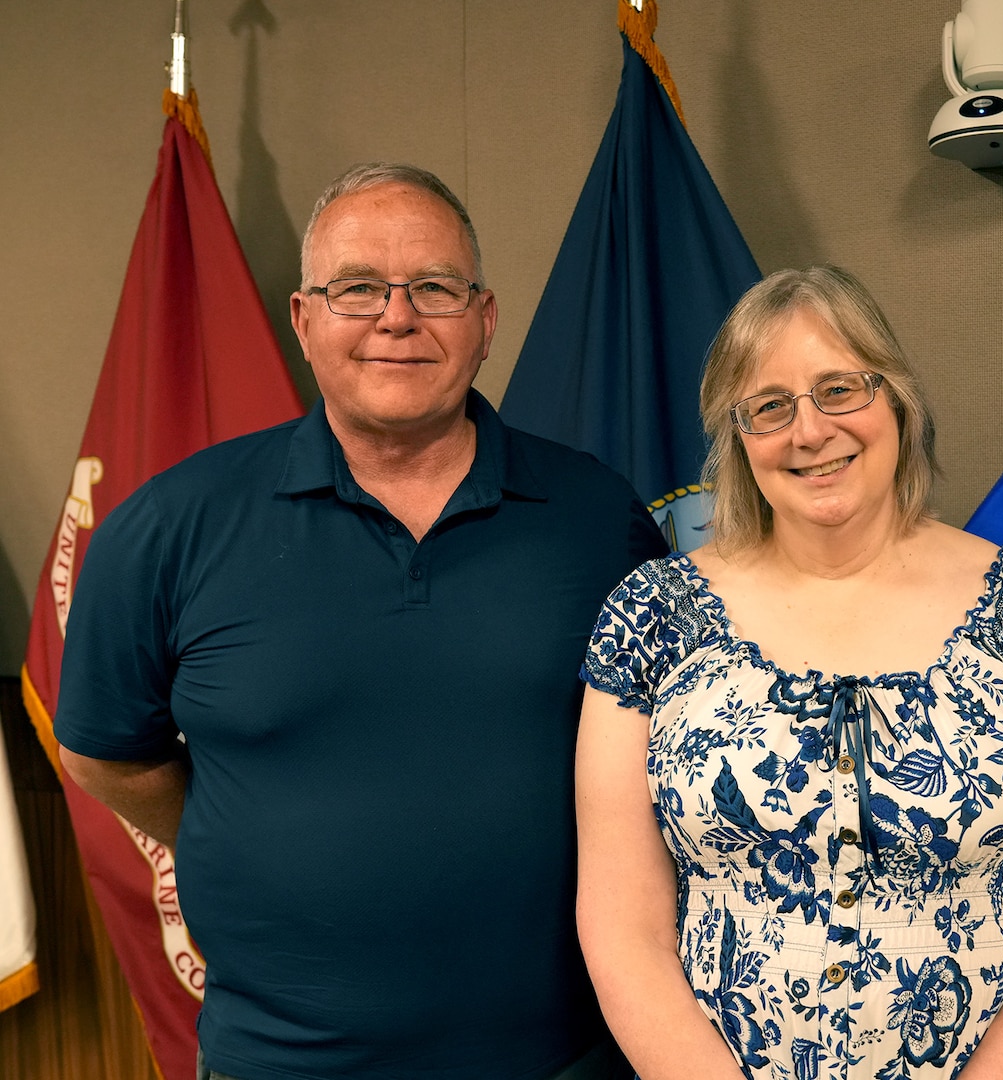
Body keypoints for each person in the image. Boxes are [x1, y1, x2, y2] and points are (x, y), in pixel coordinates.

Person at [54, 162, 666, 1080]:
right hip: (280, 1063)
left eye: (434, 287)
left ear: (485, 320)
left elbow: (672, 750)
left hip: (566, 1060)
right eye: (357, 289)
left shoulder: (598, 516)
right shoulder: (167, 527)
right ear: (304, 320)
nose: (397, 316)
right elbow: (105, 751)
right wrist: (250, 831)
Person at [575, 265, 1003, 1080]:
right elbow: (622, 927)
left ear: (897, 401)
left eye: (841, 389)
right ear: (738, 437)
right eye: (770, 406)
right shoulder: (651, 617)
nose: (808, 430)